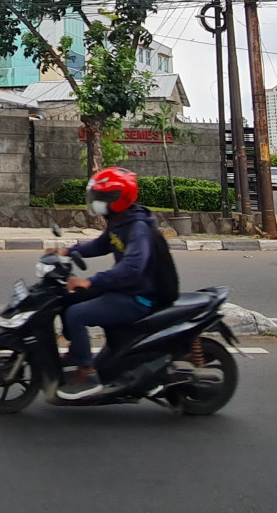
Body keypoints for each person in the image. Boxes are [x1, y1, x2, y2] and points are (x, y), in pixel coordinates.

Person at [57, 167, 176, 400]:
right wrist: (68, 252)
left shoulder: (138, 228)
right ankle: (76, 354)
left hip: (137, 297)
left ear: (119, 199)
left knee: (76, 315)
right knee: (65, 298)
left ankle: (87, 372)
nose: (97, 202)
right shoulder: (119, 221)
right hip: (123, 288)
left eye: (102, 197)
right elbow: (101, 245)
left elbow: (132, 269)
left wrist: (90, 282)